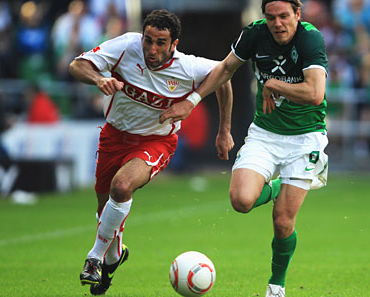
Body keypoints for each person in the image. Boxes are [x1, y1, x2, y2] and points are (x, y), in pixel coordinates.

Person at [160, 1, 328, 296]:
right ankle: (277, 188)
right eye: (271, 17)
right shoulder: (253, 34)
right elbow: (224, 69)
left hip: (306, 137)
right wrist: (193, 102)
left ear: (297, 15)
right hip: (266, 133)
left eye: (284, 16)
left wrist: (275, 84)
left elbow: (315, 93)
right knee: (241, 200)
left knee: (283, 222)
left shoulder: (310, 38)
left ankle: (276, 285)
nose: (278, 23)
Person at [69, 9, 234, 295]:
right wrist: (98, 79)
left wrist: (221, 128)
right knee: (104, 208)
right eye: (148, 41)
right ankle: (112, 258)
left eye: (160, 43)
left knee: (121, 187)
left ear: (174, 44)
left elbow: (225, 77)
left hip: (155, 141)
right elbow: (76, 65)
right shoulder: (125, 46)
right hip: (113, 136)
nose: (152, 49)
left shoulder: (189, 67)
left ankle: (94, 258)